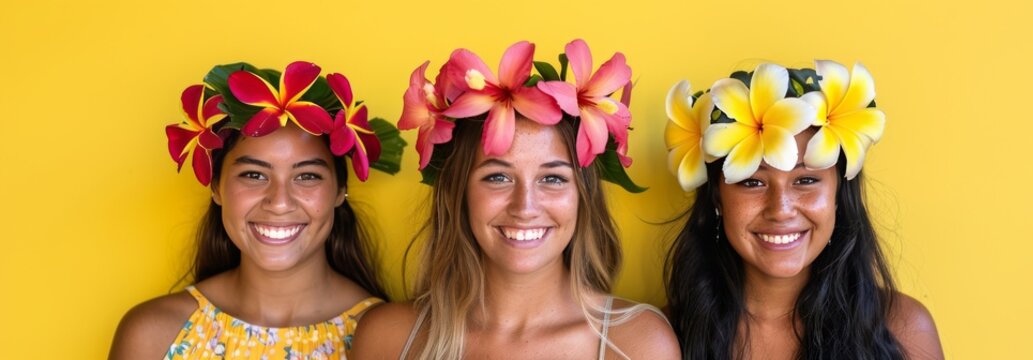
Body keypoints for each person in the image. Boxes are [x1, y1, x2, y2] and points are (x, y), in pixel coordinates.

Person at [352, 40, 679, 360]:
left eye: (552, 179)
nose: (525, 207)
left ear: (583, 197)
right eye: (498, 177)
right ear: (458, 193)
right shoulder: (388, 339)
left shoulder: (637, 344)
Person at [109, 61, 405, 359]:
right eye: (254, 175)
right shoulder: (153, 335)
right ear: (216, 187)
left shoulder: (395, 340)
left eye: (307, 176)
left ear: (340, 191)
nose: (279, 202)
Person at [663, 61, 943, 359]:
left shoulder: (905, 328)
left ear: (838, 195)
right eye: (753, 182)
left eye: (806, 180)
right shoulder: (663, 336)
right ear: (717, 198)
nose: (781, 210)